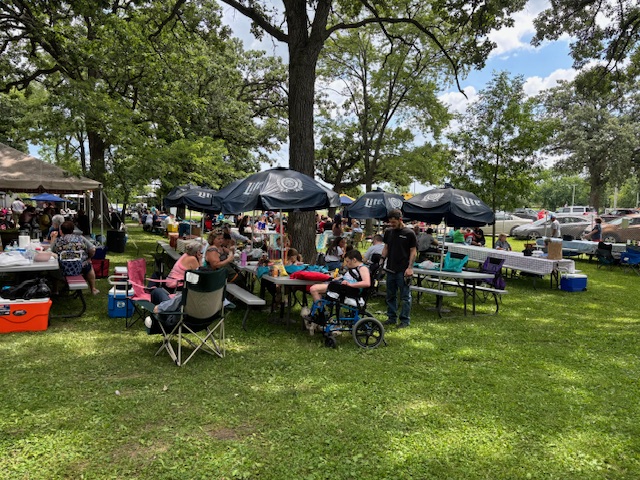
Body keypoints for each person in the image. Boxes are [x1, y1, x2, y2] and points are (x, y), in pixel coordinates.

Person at [381, 209, 417, 328]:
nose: (391, 225)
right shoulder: (388, 232)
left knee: (405, 296)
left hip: (403, 270)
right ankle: (391, 317)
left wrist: (410, 267)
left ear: (400, 220)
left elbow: (413, 251)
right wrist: (381, 261)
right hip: (390, 268)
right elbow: (386, 247)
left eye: (394, 223)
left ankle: (404, 320)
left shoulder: (409, 233)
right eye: (390, 223)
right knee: (390, 295)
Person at [50, 220, 99, 295]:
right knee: (89, 266)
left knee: (53, 269)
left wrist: (53, 238)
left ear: (61, 231)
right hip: (79, 267)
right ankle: (93, 289)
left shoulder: (58, 241)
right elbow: (92, 249)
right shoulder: (80, 238)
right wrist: (89, 258)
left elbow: (51, 251)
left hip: (62, 268)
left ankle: (55, 290)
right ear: (73, 230)